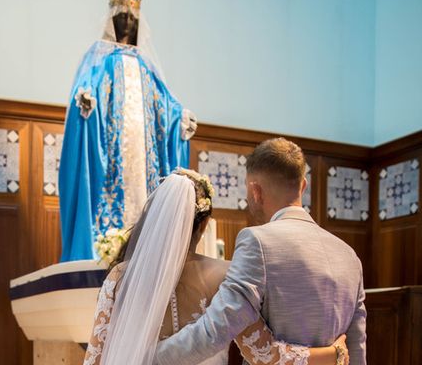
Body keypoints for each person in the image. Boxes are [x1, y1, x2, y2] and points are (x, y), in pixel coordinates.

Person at [84, 168, 349, 365]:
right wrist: (331, 354)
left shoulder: (120, 277)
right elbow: (263, 353)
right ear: (204, 224)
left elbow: (95, 357)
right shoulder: (224, 275)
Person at [154, 139, 366, 365]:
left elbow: (216, 328)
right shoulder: (349, 255)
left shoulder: (257, 241)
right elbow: (357, 347)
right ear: (303, 185)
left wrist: (148, 357)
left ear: (255, 191)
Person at [59, 0, 196, 262]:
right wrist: (86, 103)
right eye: (122, 19)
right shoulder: (98, 61)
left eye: (132, 21)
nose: (127, 25)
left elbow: (167, 109)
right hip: (110, 168)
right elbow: (83, 96)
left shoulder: (148, 69)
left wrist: (181, 119)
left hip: (145, 173)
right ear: (112, 22)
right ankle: (104, 245)